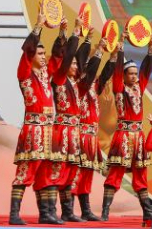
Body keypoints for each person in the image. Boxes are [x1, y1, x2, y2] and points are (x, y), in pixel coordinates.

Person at [9, 12, 74, 225]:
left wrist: (63, 32)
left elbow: (57, 56)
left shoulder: (46, 73)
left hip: (49, 129)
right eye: (39, 53)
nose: (43, 57)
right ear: (31, 57)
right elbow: (27, 51)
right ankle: (14, 214)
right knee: (26, 170)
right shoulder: (25, 72)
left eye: (43, 53)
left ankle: (46, 213)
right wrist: (38, 26)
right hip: (34, 128)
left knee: (48, 172)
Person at [101, 30, 152, 223]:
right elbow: (116, 70)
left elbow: (146, 70)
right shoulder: (119, 87)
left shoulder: (139, 87)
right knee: (116, 173)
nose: (134, 77)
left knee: (141, 175)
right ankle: (105, 210)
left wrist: (150, 49)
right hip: (123, 135)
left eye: (135, 74)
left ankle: (147, 212)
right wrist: (121, 45)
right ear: (123, 76)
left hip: (138, 136)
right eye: (130, 74)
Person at [72, 34, 116, 222]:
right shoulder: (78, 83)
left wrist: (114, 55)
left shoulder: (94, 84)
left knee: (88, 173)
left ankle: (86, 210)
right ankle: (68, 210)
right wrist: (99, 50)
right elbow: (92, 74)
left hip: (91, 135)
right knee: (76, 173)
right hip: (79, 134)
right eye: (89, 61)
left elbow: (105, 74)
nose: (92, 65)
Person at [49, 19, 88, 222]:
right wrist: (73, 32)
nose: (74, 65)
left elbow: (86, 64)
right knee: (59, 170)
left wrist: (91, 42)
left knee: (72, 171)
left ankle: (68, 211)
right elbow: (68, 58)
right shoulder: (59, 78)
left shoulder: (75, 83)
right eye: (71, 62)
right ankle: (49, 211)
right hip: (62, 131)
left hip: (74, 132)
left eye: (75, 63)